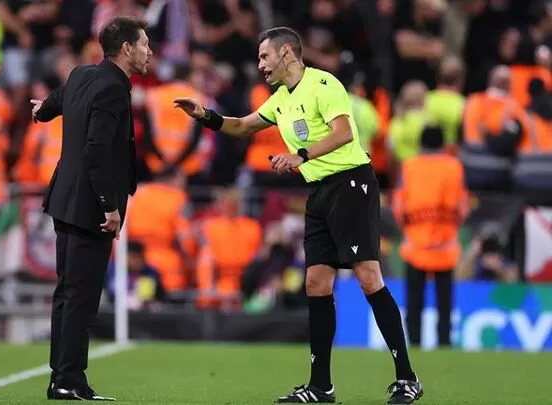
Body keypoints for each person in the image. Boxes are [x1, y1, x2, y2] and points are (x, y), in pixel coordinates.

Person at [174, 27, 422, 404]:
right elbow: (242, 126)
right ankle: (321, 386)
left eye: (265, 56)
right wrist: (206, 116)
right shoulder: (280, 99)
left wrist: (300, 155)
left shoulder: (324, 84)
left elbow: (343, 133)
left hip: (351, 182)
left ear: (286, 53)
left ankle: (407, 378)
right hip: (319, 190)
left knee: (368, 277)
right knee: (316, 284)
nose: (261, 65)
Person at [30, 16, 151, 401]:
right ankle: (69, 379)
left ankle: (62, 378)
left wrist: (41, 111)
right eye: (144, 44)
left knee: (67, 293)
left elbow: (58, 100)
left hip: (65, 200)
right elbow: (96, 150)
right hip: (89, 209)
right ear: (127, 49)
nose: (149, 52)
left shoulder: (83, 74)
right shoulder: (114, 88)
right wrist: (109, 207)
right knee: (80, 296)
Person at [392, 126, 468, 348]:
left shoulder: (409, 166)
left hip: (415, 245)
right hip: (445, 246)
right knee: (445, 302)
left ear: (421, 143)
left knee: (414, 301)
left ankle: (414, 343)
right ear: (443, 144)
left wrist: (409, 227)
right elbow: (462, 206)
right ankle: (444, 342)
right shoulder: (454, 167)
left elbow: (399, 205)